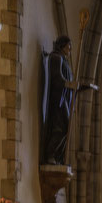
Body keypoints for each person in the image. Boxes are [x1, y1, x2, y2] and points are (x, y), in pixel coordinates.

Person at [41, 35, 87, 165]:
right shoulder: (56, 58)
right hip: (58, 100)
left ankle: (57, 157)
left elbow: (68, 81)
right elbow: (57, 78)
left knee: (67, 128)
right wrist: (69, 84)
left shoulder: (64, 61)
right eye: (69, 45)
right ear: (62, 45)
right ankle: (50, 154)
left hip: (65, 99)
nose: (70, 48)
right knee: (61, 127)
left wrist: (79, 86)